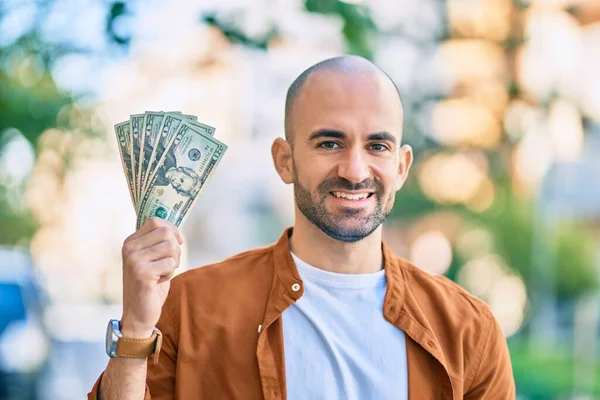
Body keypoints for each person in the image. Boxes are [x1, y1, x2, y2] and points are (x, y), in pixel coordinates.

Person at [89, 55, 515, 400]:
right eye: (329, 143)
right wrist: (136, 329)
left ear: (401, 166)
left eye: (377, 146)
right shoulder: (191, 308)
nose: (354, 170)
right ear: (284, 160)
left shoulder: (467, 331)